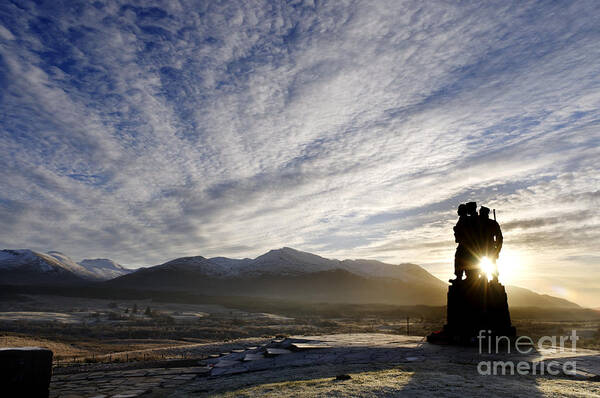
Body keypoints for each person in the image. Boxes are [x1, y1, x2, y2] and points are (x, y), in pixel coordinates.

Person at [479, 206, 503, 281]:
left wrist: (498, 249)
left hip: (489, 247)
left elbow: (499, 238)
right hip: (480, 248)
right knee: (480, 263)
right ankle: (484, 277)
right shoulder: (478, 223)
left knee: (492, 263)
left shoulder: (492, 223)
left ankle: (494, 278)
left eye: (481, 213)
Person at [452, 204, 468, 281]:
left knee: (461, 259)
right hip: (463, 243)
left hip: (465, 244)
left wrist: (456, 229)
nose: (457, 211)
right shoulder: (462, 219)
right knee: (459, 259)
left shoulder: (465, 219)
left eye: (459, 210)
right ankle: (459, 276)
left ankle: (460, 277)